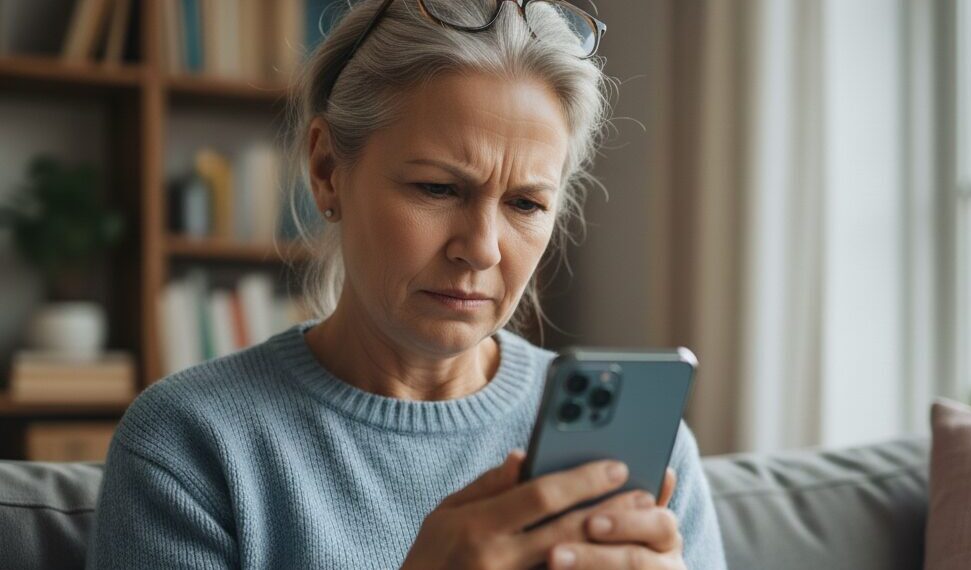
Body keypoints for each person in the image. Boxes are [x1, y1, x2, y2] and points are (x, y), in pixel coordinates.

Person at [88, 1, 727, 568]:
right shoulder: (189, 445)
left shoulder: (656, 453)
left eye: (527, 204)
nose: (480, 248)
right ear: (327, 169)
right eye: (437, 188)